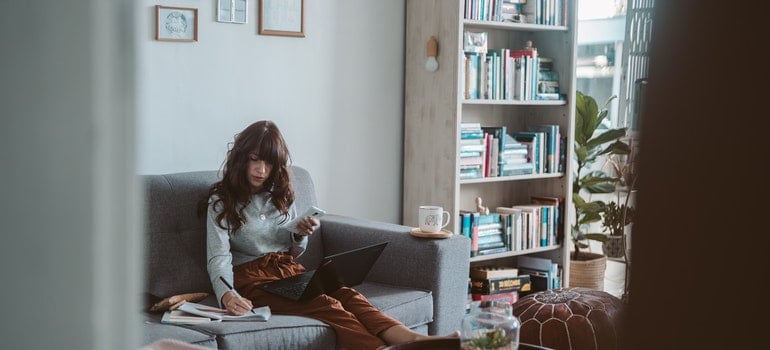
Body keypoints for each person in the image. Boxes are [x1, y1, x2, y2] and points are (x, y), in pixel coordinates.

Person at [199, 120, 456, 350]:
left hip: (288, 270)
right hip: (252, 280)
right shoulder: (221, 201)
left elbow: (293, 250)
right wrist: (228, 295)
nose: (261, 170)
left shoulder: (279, 194)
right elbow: (218, 256)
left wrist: (300, 235)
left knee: (347, 294)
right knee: (326, 305)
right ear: (242, 158)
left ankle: (414, 341)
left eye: (269, 162)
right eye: (255, 159)